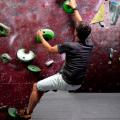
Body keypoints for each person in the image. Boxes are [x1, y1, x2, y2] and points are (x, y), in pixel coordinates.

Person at [19, 0, 93, 119]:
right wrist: (74, 8)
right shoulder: (89, 43)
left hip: (66, 81)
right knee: (45, 86)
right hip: (78, 83)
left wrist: (41, 36)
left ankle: (27, 113)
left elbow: (50, 49)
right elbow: (80, 23)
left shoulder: (70, 46)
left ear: (76, 32)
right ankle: (46, 90)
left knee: (36, 86)